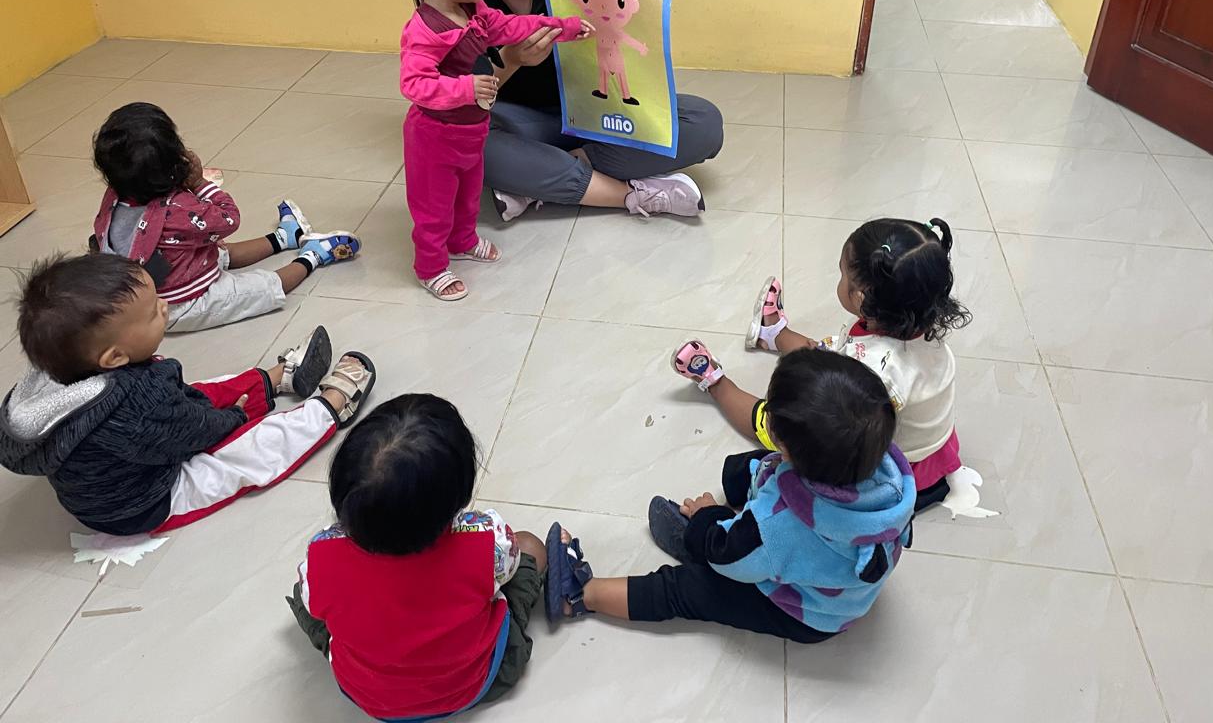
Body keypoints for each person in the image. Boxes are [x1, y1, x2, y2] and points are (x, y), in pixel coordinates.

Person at [542, 350, 914, 641]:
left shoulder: (779, 525)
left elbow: (730, 556)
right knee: (746, 467)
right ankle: (718, 524)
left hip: (810, 612)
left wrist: (708, 518)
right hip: (842, 581)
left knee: (688, 588)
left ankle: (580, 594)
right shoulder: (885, 469)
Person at [0, 253, 376, 535]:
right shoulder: (140, 405)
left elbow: (174, 406)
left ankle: (275, 379)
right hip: (144, 502)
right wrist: (234, 418)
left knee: (194, 393)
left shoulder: (57, 372)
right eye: (152, 313)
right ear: (113, 357)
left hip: (116, 469)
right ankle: (329, 407)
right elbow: (197, 430)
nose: (164, 307)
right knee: (244, 454)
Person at [421, 0, 723, 222]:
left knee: (704, 122)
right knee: (466, 143)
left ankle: (539, 178)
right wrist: (513, 59)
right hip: (526, 120)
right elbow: (465, 98)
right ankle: (629, 194)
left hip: (601, 113)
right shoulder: (460, 3)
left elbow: (628, 13)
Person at [672, 217, 971, 513]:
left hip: (889, 469)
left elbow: (833, 424)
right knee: (823, 354)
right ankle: (773, 335)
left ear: (861, 296)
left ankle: (715, 383)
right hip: (932, 453)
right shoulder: (915, 320)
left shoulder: (876, 370)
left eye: (842, 274)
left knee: (779, 417)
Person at [288, 394, 547, 719]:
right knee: (530, 548)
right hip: (473, 684)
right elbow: (509, 565)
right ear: (461, 494)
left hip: (369, 697)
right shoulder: (485, 539)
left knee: (308, 590)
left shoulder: (323, 555)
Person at [392, 0, 593, 301]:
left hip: (472, 131)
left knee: (468, 194)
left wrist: (563, 27)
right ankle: (430, 267)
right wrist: (466, 88)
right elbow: (413, 83)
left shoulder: (474, 11)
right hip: (433, 138)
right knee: (433, 208)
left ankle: (463, 240)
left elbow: (512, 26)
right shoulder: (424, 31)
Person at [91, 102, 361, 332]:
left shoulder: (115, 195)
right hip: (181, 303)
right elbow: (228, 218)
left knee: (218, 251)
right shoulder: (179, 209)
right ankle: (313, 256)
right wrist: (199, 184)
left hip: (153, 279)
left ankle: (284, 237)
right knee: (264, 287)